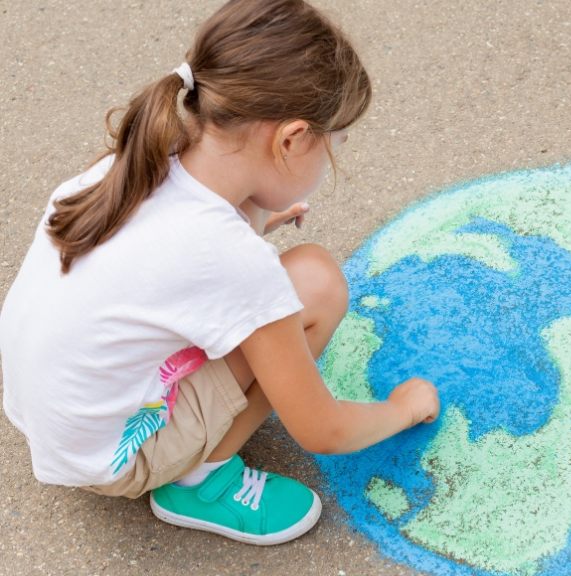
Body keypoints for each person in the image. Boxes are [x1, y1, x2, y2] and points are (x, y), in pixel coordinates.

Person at [0, 0, 440, 546]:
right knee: (316, 284)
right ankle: (199, 479)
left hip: (41, 407)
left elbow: (180, 260)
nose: (333, 159)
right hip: (112, 458)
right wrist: (403, 408)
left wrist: (253, 219)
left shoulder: (137, 161)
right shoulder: (235, 261)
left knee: (269, 291)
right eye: (335, 143)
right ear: (292, 138)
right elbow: (321, 429)